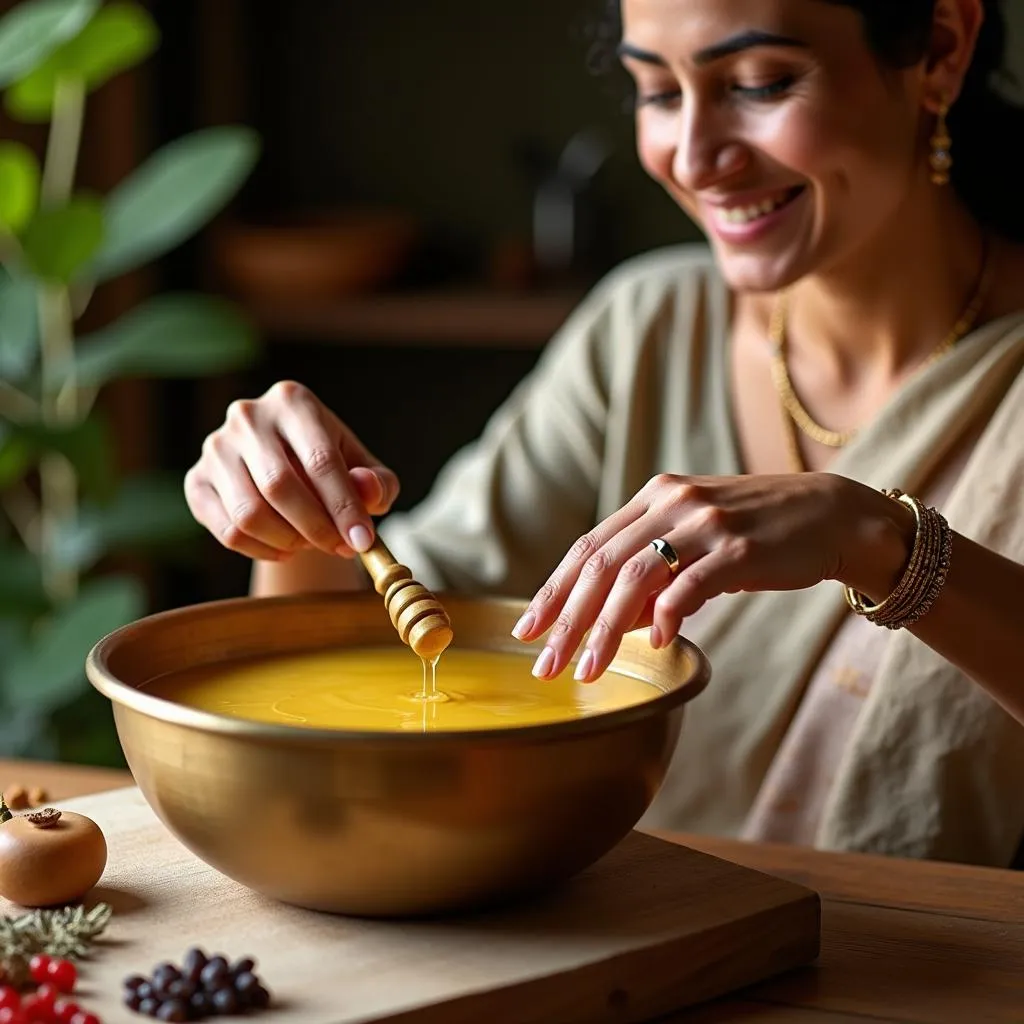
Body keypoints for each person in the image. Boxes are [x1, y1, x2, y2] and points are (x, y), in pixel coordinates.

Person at [184, 0, 1024, 867]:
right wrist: (295, 510)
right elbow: (373, 653)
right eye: (657, 92)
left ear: (939, 49)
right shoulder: (648, 327)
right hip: (610, 948)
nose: (695, 159)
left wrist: (879, 542)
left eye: (760, 83)